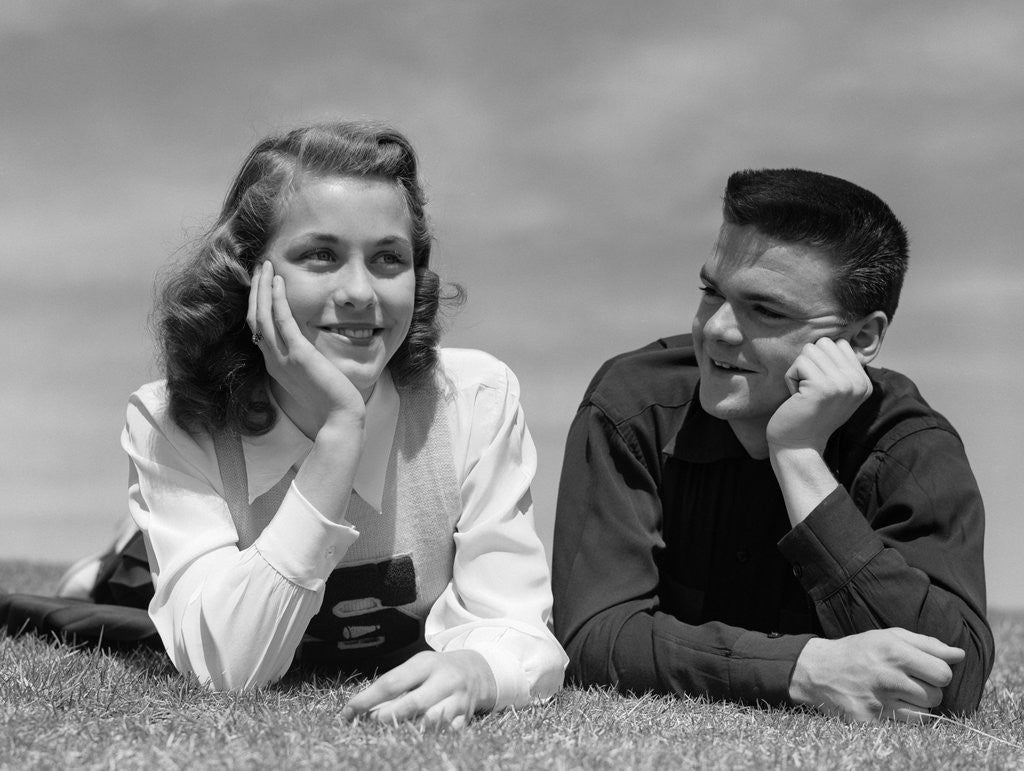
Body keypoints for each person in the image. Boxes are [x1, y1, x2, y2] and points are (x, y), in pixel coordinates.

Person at [54, 121, 566, 726]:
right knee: (119, 593)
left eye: (388, 259)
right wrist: (339, 433)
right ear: (249, 275)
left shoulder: (474, 398)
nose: (358, 290)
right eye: (320, 255)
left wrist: (479, 669)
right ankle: (118, 553)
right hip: (166, 572)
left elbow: (518, 623)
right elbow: (228, 671)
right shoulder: (172, 419)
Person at [552, 168, 993, 721]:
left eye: (766, 311)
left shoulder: (909, 446)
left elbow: (952, 680)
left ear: (861, 339)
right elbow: (593, 637)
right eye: (712, 291)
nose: (716, 330)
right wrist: (801, 670)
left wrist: (799, 458)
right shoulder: (632, 408)